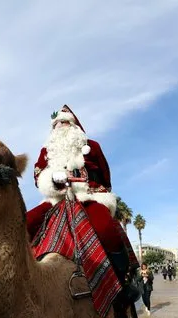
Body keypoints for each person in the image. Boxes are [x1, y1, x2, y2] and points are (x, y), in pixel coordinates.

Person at [26, 105, 132, 276]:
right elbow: (38, 178)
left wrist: (96, 189)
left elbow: (105, 175)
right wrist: (52, 179)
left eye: (63, 122)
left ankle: (123, 279)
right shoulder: (46, 152)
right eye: (55, 124)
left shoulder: (92, 146)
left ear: (74, 125)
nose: (59, 126)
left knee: (106, 228)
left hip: (88, 196)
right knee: (26, 222)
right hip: (56, 199)